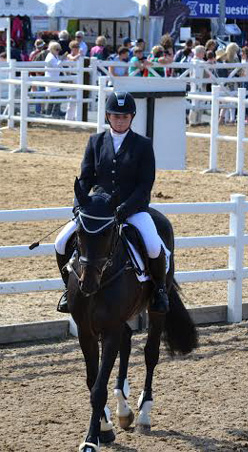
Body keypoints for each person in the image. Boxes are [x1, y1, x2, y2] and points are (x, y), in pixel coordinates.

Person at [54, 92, 170, 314]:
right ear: (108, 116)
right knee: (60, 242)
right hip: (98, 211)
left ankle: (160, 291)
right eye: (116, 116)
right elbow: (86, 177)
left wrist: (124, 209)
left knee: (154, 246)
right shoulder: (95, 142)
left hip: (132, 208)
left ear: (131, 118)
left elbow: (145, 185)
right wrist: (80, 203)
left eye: (125, 116)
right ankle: (67, 291)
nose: (120, 120)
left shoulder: (143, 145)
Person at [45, 41, 64, 118]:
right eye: (57, 49)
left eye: (59, 49)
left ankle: (51, 113)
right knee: (53, 98)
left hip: (55, 79)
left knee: (54, 97)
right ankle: (52, 113)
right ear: (52, 49)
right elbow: (56, 66)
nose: (58, 51)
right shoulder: (50, 57)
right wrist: (62, 59)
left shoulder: (54, 56)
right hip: (51, 79)